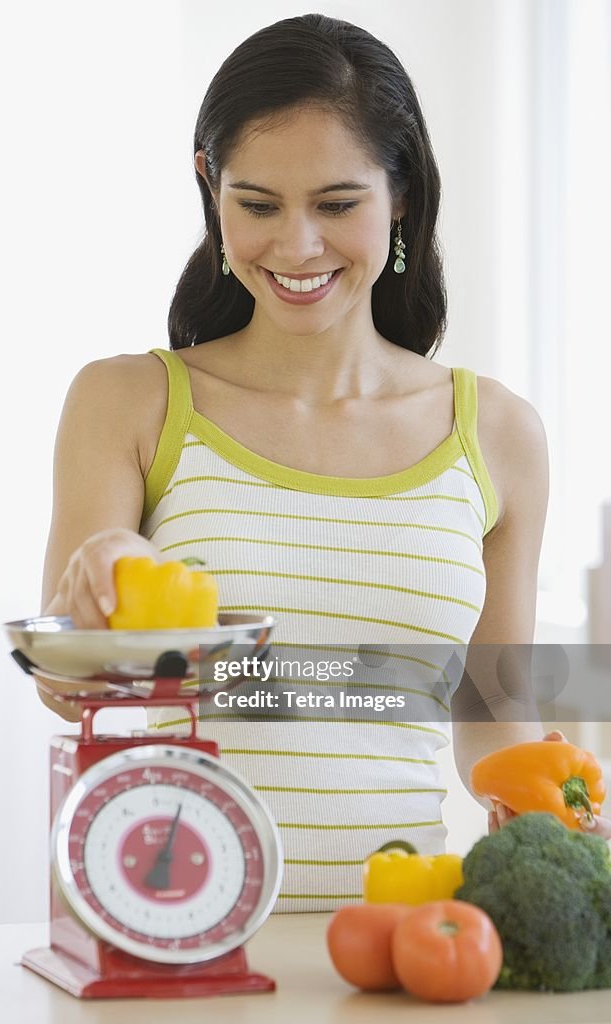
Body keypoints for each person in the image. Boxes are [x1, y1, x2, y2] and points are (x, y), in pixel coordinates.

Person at [37, 13, 610, 910]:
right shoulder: (131, 402)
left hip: (402, 949)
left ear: (403, 195)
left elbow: (494, 710)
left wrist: (555, 815)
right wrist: (95, 592)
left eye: (338, 205)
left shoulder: (496, 433)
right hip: (171, 934)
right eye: (257, 204)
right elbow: (70, 689)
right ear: (209, 187)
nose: (296, 246)